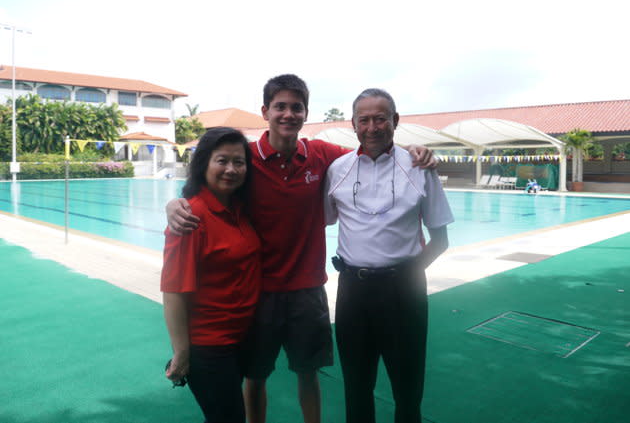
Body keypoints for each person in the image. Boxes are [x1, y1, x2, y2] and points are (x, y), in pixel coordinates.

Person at [166, 74, 437, 423]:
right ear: (266, 111)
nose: (288, 114)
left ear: (305, 113)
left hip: (307, 289)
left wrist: (415, 152)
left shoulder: (322, 155)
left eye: (296, 107)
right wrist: (175, 203)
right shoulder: (245, 159)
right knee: (256, 376)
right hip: (259, 292)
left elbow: (371, 152)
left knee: (308, 375)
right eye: (280, 106)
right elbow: (211, 179)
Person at [324, 88, 454, 423]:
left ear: (394, 121)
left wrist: (408, 275)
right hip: (353, 292)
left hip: (403, 292)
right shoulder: (337, 170)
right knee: (356, 388)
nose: (372, 127)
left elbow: (440, 239)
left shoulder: (420, 166)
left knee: (408, 391)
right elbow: (322, 218)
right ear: (353, 125)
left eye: (380, 118)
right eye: (363, 120)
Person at [161, 127, 261, 423]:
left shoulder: (240, 208)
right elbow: (173, 291)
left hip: (239, 341)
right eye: (222, 160)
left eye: (238, 162)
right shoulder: (190, 218)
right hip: (209, 347)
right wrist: (181, 353)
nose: (231, 169)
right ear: (204, 163)